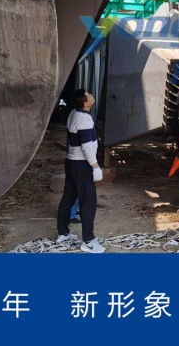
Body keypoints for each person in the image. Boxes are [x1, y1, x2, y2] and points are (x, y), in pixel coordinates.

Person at [56, 89, 105, 253]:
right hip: (81, 165)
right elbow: (86, 147)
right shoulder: (85, 119)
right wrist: (95, 166)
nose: (92, 96)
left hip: (71, 162)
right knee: (88, 202)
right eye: (89, 95)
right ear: (85, 102)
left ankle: (63, 233)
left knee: (68, 198)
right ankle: (88, 241)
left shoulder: (73, 113)